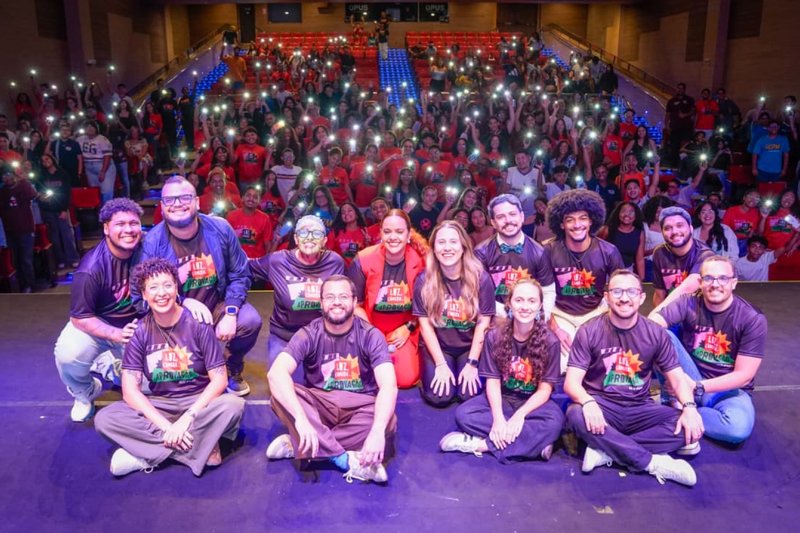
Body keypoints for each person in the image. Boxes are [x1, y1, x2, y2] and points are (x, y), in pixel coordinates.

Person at [94, 258, 245, 477]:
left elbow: (219, 379)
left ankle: (148, 455)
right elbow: (130, 391)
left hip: (198, 403)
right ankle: (200, 450)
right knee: (105, 419)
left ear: (176, 288)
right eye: (153, 288)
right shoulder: (139, 332)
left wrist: (187, 418)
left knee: (233, 405)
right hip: (160, 403)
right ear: (144, 295)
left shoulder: (198, 324)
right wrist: (168, 427)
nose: (161, 293)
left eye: (167, 285)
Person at [564, 269, 704, 486]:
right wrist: (588, 402)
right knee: (575, 414)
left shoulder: (655, 333)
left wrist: (690, 407)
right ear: (607, 297)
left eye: (631, 291)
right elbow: (571, 383)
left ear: (642, 297)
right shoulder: (589, 330)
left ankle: (606, 451)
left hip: (640, 407)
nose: (624, 298)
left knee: (688, 427)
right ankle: (653, 463)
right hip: (602, 407)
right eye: (617, 291)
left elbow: (677, 379)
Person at [265, 275, 398, 484]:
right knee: (280, 395)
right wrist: (300, 418)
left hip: (360, 406)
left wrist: (377, 431)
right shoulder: (309, 333)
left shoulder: (371, 335)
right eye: (330, 297)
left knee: (387, 421)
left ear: (354, 301)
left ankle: (299, 442)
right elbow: (276, 373)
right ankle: (343, 459)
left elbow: (388, 385)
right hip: (321, 405)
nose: (336, 302)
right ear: (321, 303)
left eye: (343, 296)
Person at [138, 176, 263, 396]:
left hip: (216, 305)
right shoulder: (152, 242)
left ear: (196, 202)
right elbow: (143, 294)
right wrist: (183, 302)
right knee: (181, 381)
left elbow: (240, 273)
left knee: (249, 320)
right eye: (170, 200)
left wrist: (231, 311)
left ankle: (231, 366)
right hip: (175, 313)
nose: (177, 204)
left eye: (184, 197)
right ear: (162, 207)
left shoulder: (220, 229)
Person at [439, 279, 565, 463]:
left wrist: (519, 416)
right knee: (464, 414)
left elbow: (545, 390)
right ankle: (534, 444)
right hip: (502, 398)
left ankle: (481, 445)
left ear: (540, 306)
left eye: (531, 301)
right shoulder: (494, 336)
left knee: (555, 423)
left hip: (532, 404)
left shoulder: (551, 342)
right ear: (509, 304)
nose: (525, 307)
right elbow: (493, 381)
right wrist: (498, 419)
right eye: (519, 300)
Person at [649, 256, 767, 444]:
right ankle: (675, 402)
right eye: (709, 278)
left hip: (725, 389)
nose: (715, 284)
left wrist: (697, 387)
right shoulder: (688, 302)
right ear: (700, 282)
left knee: (737, 429)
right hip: (690, 375)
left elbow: (744, 375)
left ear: (734, 283)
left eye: (723, 278)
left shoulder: (752, 318)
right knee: (658, 335)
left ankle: (677, 413)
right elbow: (650, 327)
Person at [53, 199, 143, 421]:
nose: (128, 230)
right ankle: (84, 392)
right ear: (106, 228)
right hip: (101, 325)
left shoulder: (149, 249)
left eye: (134, 223)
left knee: (154, 384)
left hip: (139, 326)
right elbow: (80, 318)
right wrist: (115, 334)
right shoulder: (91, 268)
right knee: (68, 354)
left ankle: (110, 366)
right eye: (120, 224)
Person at [249, 215, 345, 383]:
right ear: (295, 238)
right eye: (303, 232)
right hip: (285, 337)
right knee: (281, 385)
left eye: (316, 233)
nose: (309, 237)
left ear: (324, 240)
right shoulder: (278, 261)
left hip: (321, 337)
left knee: (328, 388)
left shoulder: (334, 262)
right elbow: (242, 267)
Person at [413, 221, 495, 407]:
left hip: (469, 347)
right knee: (439, 397)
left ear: (463, 246)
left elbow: (483, 323)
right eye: (441, 242)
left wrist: (472, 363)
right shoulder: (424, 280)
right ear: (434, 248)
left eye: (453, 242)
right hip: (440, 347)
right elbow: (425, 326)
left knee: (469, 396)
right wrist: (440, 364)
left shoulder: (481, 278)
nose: (447, 248)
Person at [545, 190, 625, 371]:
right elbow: (539, 295)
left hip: (596, 313)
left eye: (583, 218)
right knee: (562, 366)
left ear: (591, 221)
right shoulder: (548, 250)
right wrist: (555, 329)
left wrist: (610, 320)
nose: (577, 225)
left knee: (602, 365)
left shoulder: (608, 251)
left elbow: (622, 290)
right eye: (570, 219)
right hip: (560, 314)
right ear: (561, 224)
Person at [349, 209, 427, 389]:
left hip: (403, 330)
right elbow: (355, 305)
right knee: (360, 378)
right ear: (381, 234)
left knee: (405, 379)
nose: (393, 237)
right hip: (369, 328)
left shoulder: (421, 262)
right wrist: (372, 334)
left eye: (399, 232)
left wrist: (409, 327)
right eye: (387, 231)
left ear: (408, 234)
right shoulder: (363, 259)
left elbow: (427, 306)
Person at [475, 194, 555, 318]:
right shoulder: (481, 252)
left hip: (531, 316)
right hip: (494, 316)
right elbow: (479, 294)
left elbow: (548, 291)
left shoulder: (539, 252)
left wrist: (540, 317)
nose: (508, 220)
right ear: (493, 222)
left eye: (512, 214)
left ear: (522, 217)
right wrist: (509, 314)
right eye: (501, 217)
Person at [651, 206, 715, 307]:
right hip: (670, 311)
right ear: (662, 232)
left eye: (679, 225)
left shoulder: (705, 255)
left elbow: (688, 288)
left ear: (691, 228)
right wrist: (657, 315)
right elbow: (659, 294)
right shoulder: (660, 253)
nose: (674, 231)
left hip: (698, 312)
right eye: (667, 228)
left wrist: (658, 313)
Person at [38, 153, 80, 269]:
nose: (45, 161)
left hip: (61, 209)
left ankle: (73, 258)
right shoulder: (42, 176)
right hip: (48, 210)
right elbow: (39, 191)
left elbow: (67, 193)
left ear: (52, 159)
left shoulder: (62, 174)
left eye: (47, 159)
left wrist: (64, 210)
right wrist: (41, 197)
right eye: (43, 160)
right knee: (54, 237)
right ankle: (60, 260)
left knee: (67, 235)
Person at [0, 166, 37, 293]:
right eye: (4, 176)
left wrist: (24, 181)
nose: (7, 178)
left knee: (26, 259)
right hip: (10, 231)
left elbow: (33, 195)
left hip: (26, 229)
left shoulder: (23, 186)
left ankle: (30, 285)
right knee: (16, 260)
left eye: (9, 174)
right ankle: (21, 286)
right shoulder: (2, 192)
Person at [226, 185, 273, 259]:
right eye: (248, 196)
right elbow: (226, 240)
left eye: (255, 197)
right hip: (236, 260)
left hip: (256, 261)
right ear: (242, 198)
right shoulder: (231, 216)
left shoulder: (265, 218)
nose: (251, 199)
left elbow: (268, 245)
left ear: (259, 201)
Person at [76, 121, 116, 204]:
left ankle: (107, 209)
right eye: (88, 127)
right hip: (89, 167)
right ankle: (97, 209)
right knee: (94, 191)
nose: (90, 128)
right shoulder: (80, 139)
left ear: (96, 129)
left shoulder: (102, 139)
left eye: (92, 126)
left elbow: (107, 156)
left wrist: (103, 171)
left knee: (106, 191)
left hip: (102, 165)